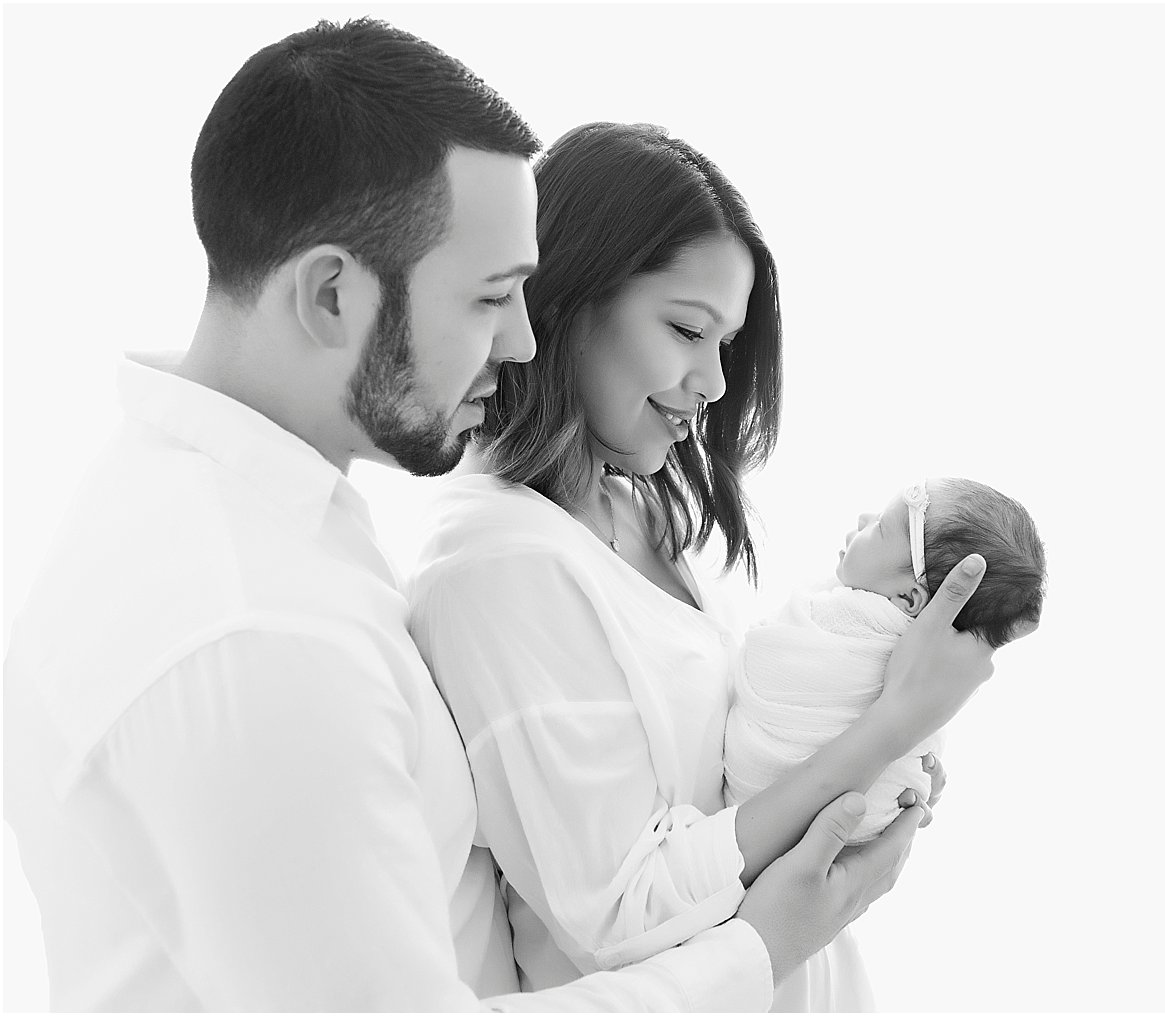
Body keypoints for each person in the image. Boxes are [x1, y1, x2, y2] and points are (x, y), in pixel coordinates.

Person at [1, 20, 957, 1011]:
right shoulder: (256, 633)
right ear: (332, 294)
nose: (520, 337)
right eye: (493, 296)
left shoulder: (261, 525)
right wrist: (766, 941)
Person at [406, 123, 999, 1012]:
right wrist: (887, 730)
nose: (717, 382)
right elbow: (623, 909)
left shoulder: (647, 510)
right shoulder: (497, 568)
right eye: (687, 329)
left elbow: (734, 780)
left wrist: (881, 765)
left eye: (727, 341)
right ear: (565, 300)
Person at [726, 476, 1047, 843]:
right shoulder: (941, 673)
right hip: (855, 824)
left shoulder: (843, 620)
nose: (864, 518)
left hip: (758, 806)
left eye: (879, 528)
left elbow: (771, 649)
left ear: (908, 599)